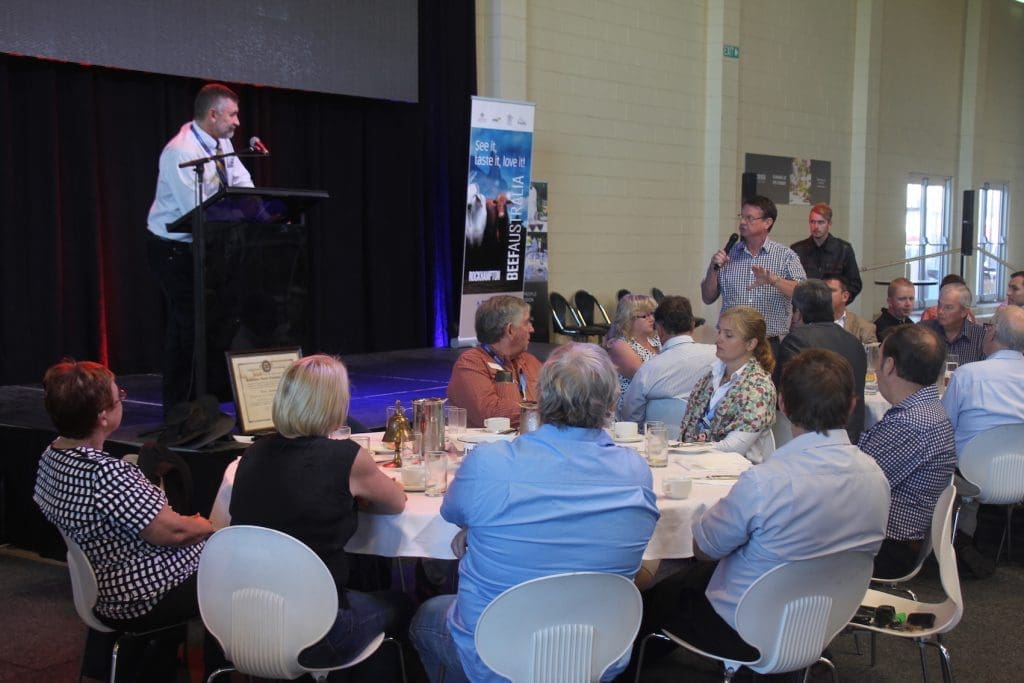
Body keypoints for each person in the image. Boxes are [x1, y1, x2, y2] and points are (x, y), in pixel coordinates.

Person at [410, 344, 660, 683]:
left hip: (495, 657)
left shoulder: (490, 464)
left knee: (425, 616)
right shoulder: (635, 472)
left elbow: (452, 512)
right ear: (613, 403)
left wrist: (477, 529)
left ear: (538, 398)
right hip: (595, 654)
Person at [636, 349, 889, 663]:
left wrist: (704, 516)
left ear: (782, 403)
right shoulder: (876, 476)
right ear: (853, 405)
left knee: (660, 597)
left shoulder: (765, 481)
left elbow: (704, 549)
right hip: (827, 617)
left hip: (745, 627)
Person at [229, 354, 410, 676]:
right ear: (335, 404)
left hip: (246, 620)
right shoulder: (346, 457)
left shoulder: (251, 455)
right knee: (406, 603)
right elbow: (396, 502)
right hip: (318, 632)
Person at [33, 359, 214, 681]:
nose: (122, 402)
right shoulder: (105, 473)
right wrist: (206, 526)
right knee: (239, 565)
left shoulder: (51, 457)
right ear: (103, 416)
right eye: (120, 398)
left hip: (102, 588)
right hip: (140, 597)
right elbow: (171, 533)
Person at [147, 83, 255, 413]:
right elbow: (192, 211)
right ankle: (178, 406)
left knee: (213, 324)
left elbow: (243, 184)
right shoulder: (181, 151)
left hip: (208, 248)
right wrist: (236, 213)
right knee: (187, 325)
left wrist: (259, 209)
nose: (238, 122)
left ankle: (204, 399)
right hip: (173, 248)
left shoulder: (222, 142)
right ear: (213, 114)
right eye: (233, 114)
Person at [857, 325, 956, 580]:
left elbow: (855, 486)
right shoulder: (926, 408)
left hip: (887, 547)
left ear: (889, 365)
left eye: (878, 358)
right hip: (894, 538)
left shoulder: (910, 424)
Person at [942, 306, 1024, 577]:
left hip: (971, 477)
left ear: (994, 333)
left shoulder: (968, 375)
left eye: (988, 327)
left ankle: (952, 539)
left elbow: (944, 427)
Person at [700, 195, 807, 354]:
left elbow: (804, 292)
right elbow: (707, 297)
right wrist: (713, 268)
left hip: (768, 344)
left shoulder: (785, 256)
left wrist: (774, 280)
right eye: (741, 217)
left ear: (767, 222)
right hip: (731, 343)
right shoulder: (730, 254)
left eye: (749, 218)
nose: (742, 222)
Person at [679, 306, 777, 463]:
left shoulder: (760, 387)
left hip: (738, 473)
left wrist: (692, 449)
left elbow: (734, 448)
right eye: (719, 331)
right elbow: (687, 427)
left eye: (729, 335)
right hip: (699, 465)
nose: (719, 339)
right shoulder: (709, 376)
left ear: (750, 344)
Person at [775, 279, 867, 443]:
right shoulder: (854, 342)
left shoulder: (796, 340)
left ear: (798, 312)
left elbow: (782, 396)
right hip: (851, 436)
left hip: (811, 437)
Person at [619, 295, 716, 428]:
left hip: (661, 439)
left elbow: (630, 416)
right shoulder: (719, 356)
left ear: (659, 329)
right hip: (712, 438)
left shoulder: (649, 370)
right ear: (693, 325)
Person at [447, 295, 541, 428]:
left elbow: (556, 400)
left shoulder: (530, 362)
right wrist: (543, 414)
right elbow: (490, 413)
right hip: (490, 446)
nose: (532, 329)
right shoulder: (471, 364)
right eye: (526, 323)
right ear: (510, 330)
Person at [791, 203, 863, 302]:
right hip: (805, 309)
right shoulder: (797, 250)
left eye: (821, 222)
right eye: (812, 222)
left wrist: (838, 303)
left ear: (829, 224)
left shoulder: (844, 249)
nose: (816, 226)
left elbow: (855, 284)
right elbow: (790, 283)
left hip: (833, 309)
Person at [603, 293, 661, 413]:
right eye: (645, 316)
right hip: (631, 408)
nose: (652, 319)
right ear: (629, 319)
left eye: (653, 314)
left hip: (655, 399)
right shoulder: (619, 345)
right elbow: (643, 378)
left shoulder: (656, 339)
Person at [918, 282, 985, 365]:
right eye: (939, 305)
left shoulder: (981, 337)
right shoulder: (923, 331)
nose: (940, 311)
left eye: (948, 307)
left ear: (964, 312)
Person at [823, 274, 877, 344]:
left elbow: (872, 354)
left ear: (845, 296)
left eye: (830, 290)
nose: (824, 294)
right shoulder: (809, 324)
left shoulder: (864, 328)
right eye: (822, 290)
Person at [875, 277, 916, 342]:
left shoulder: (911, 325)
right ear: (890, 302)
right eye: (902, 299)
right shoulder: (880, 328)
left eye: (911, 299)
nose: (908, 304)